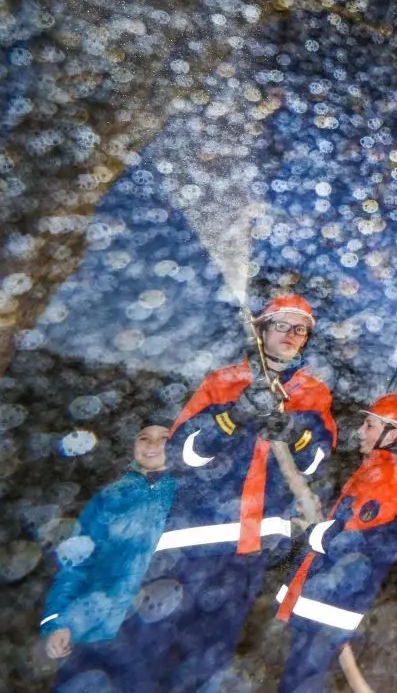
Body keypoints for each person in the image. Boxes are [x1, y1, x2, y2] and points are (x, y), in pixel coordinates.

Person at [118, 294, 337, 693]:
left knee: (209, 660)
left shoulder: (313, 394)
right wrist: (231, 418)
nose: (291, 334)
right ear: (262, 329)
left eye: (300, 329)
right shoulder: (223, 381)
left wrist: (294, 433)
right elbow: (182, 453)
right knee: (146, 653)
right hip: (187, 547)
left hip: (247, 556)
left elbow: (317, 462)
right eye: (282, 325)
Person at [275, 393, 397, 693]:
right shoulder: (378, 470)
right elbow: (351, 525)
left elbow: (346, 539)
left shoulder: (386, 476)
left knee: (300, 683)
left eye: (368, 424)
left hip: (329, 601)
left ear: (391, 432)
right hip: (327, 598)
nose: (359, 431)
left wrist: (303, 532)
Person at [39, 424, 176, 691]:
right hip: (97, 629)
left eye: (164, 439)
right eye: (143, 438)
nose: (152, 445)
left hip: (161, 630)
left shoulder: (189, 494)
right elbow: (75, 565)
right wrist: (59, 622)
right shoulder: (111, 497)